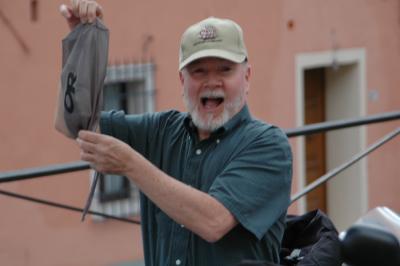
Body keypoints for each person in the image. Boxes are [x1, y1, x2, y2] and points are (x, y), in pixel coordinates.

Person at [60, 1, 293, 265]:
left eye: (225, 69)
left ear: (247, 76)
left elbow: (213, 221)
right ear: (182, 81)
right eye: (199, 71)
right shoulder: (163, 130)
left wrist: (129, 163)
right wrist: (83, 43)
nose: (211, 81)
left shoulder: (268, 145)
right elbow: (78, 121)